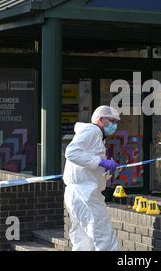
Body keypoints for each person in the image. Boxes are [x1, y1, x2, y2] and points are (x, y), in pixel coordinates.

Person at [63, 105, 121, 251]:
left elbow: (86, 163)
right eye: (112, 121)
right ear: (101, 120)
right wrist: (100, 162)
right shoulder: (92, 131)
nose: (114, 125)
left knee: (83, 241)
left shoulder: (97, 136)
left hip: (79, 193)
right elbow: (71, 153)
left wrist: (105, 169)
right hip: (85, 193)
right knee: (104, 238)